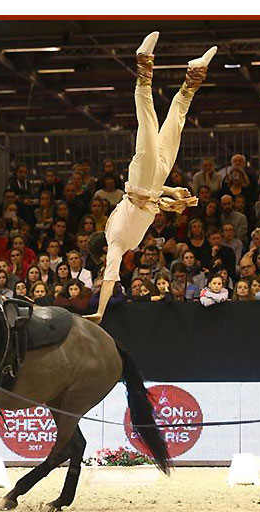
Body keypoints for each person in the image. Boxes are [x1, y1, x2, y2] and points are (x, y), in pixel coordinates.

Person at [84, 32, 215, 322]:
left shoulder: (116, 239)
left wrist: (100, 312)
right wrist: (172, 195)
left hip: (142, 176)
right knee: (176, 121)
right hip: (155, 179)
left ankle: (144, 61)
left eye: (105, 258)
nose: (110, 262)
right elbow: (148, 202)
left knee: (148, 116)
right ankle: (196, 71)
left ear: (104, 250)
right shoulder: (127, 241)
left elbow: (109, 279)